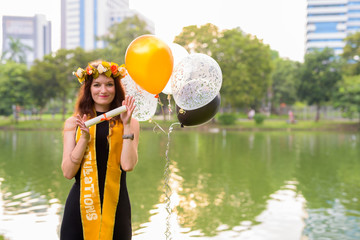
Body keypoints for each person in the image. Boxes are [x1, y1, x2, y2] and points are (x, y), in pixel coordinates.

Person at [60, 60, 139, 240]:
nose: (103, 90)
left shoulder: (130, 121)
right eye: (97, 85)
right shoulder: (75, 123)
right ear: (88, 88)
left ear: (116, 87)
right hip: (80, 207)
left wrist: (126, 126)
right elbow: (67, 171)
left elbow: (128, 165)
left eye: (109, 84)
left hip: (117, 205)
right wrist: (84, 139)